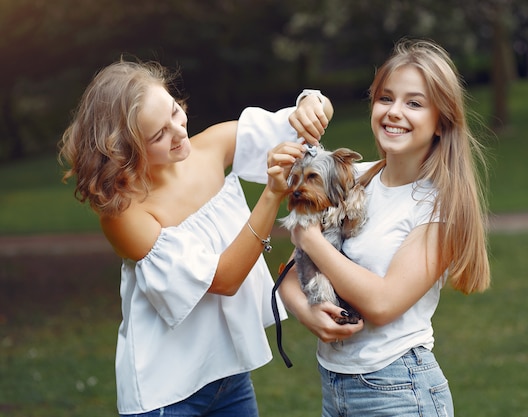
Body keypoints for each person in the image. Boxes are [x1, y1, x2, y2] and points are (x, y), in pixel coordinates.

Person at [57, 59, 333, 416]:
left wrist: (312, 103)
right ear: (124, 150)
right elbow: (224, 278)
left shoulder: (211, 147)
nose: (179, 131)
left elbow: (300, 125)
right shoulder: (125, 213)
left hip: (230, 378)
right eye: (159, 135)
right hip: (166, 395)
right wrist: (270, 196)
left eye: (174, 111)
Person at [279, 39, 491, 416]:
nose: (394, 112)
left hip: (398, 389)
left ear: (441, 120)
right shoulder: (354, 179)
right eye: (385, 98)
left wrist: (309, 236)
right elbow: (292, 274)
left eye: (414, 103)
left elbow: (381, 303)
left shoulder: (437, 208)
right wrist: (306, 312)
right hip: (334, 384)